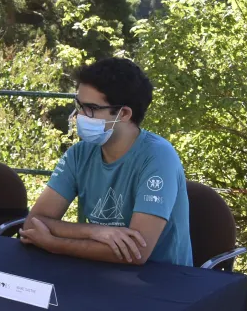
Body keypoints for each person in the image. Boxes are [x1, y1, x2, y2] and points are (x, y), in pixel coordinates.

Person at [20, 57, 192, 266]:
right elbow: (33, 223)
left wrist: (53, 243)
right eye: (79, 105)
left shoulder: (158, 157)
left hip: (159, 283)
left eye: (91, 108)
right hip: (93, 273)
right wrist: (96, 231)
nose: (79, 116)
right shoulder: (79, 154)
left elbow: (137, 252)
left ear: (124, 113)